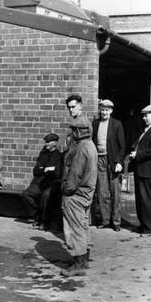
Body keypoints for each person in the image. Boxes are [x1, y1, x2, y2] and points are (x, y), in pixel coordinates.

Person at [60, 118, 98, 277]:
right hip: (86, 193)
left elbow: (75, 174)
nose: (72, 133)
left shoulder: (82, 148)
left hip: (76, 194)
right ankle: (83, 259)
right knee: (82, 226)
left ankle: (78, 264)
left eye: (74, 130)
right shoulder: (91, 146)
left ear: (80, 132)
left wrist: (66, 190)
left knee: (75, 229)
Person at [92, 99, 125, 231]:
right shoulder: (95, 123)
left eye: (107, 110)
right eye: (102, 109)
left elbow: (122, 146)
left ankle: (116, 222)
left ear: (111, 111)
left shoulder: (117, 124)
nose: (104, 112)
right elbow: (93, 141)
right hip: (99, 160)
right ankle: (105, 221)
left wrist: (119, 162)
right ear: (100, 110)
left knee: (115, 192)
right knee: (102, 191)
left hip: (112, 160)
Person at [129, 105, 151, 237]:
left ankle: (150, 229)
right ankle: (144, 225)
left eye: (146, 115)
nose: (143, 118)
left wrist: (137, 154)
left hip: (148, 169)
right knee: (141, 198)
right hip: (141, 168)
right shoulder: (147, 130)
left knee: (147, 198)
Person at [20, 133, 62, 230]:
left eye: (48, 142)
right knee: (25, 195)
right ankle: (37, 214)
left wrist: (43, 170)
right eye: (46, 142)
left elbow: (56, 174)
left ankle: (44, 221)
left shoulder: (58, 156)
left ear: (55, 143)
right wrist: (46, 170)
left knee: (46, 196)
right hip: (41, 183)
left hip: (52, 184)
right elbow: (35, 171)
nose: (46, 144)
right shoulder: (43, 154)